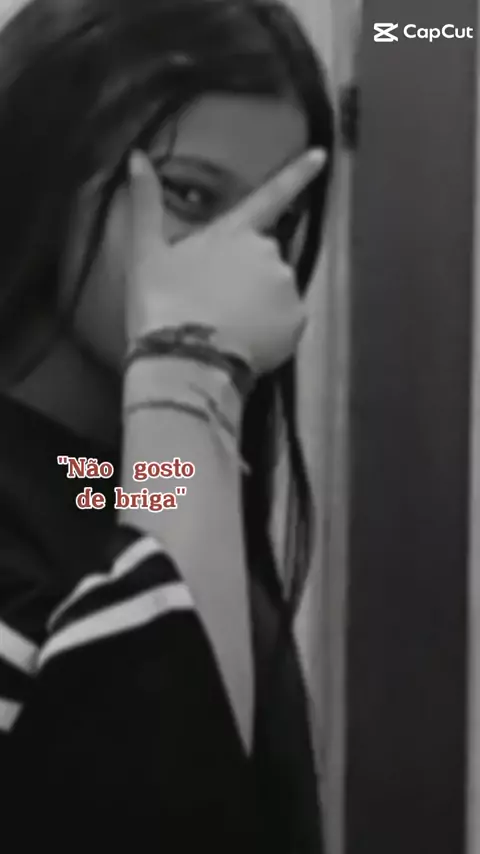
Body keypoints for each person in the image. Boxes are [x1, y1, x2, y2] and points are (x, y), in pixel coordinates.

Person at [0, 0, 334, 849]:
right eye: (189, 194)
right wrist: (190, 369)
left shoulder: (115, 471)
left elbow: (114, 498)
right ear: (41, 168)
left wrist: (187, 405)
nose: (242, 259)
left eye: (277, 222)